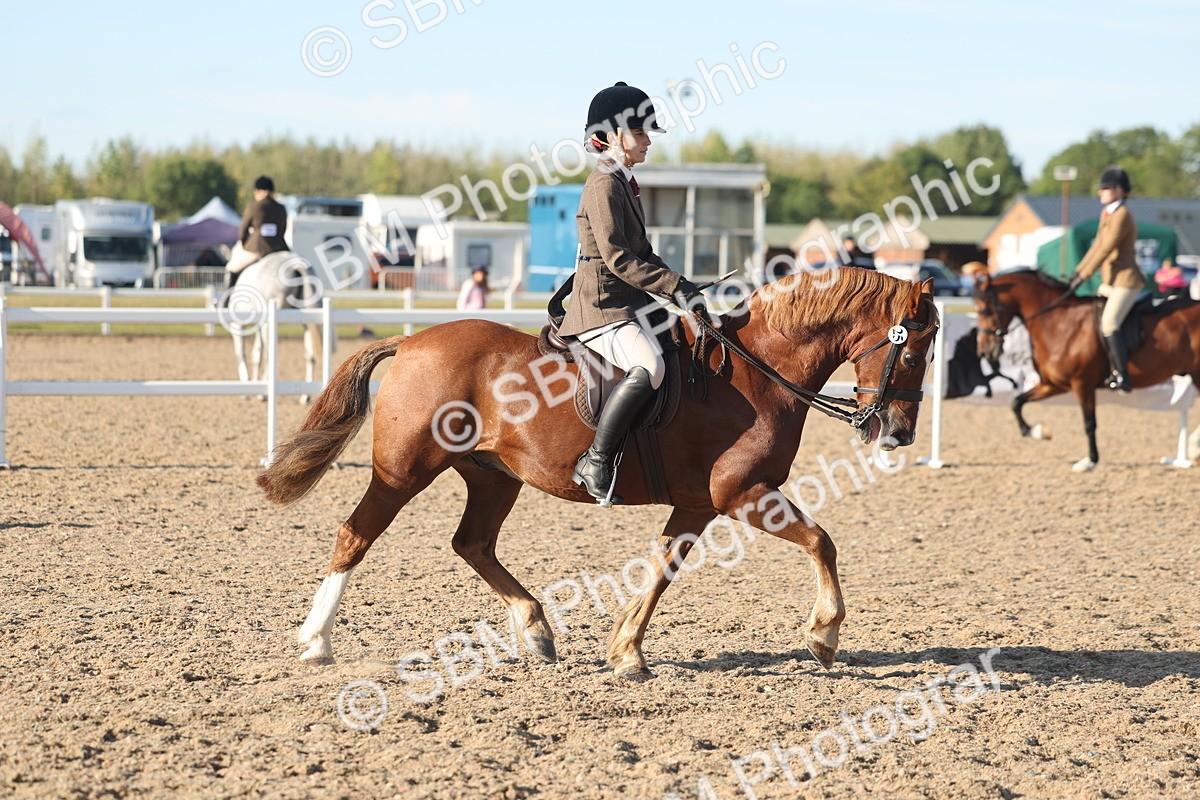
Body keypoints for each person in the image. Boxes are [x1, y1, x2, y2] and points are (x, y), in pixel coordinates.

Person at [558, 81, 707, 504]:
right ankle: (596, 461)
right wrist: (672, 287)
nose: (647, 142)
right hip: (603, 307)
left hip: (628, 303)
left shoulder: (624, 181)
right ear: (611, 136)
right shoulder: (604, 185)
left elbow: (643, 252)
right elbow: (619, 259)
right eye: (639, 133)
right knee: (650, 367)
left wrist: (680, 286)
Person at [1067, 165, 1146, 392]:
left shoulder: (1122, 216)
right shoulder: (1107, 214)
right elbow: (1097, 246)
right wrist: (1078, 271)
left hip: (1126, 281)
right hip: (1110, 281)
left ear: (1120, 190)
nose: (1100, 192)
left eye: (1106, 188)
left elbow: (1106, 248)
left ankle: (1123, 376)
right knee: (1092, 317)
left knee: (1109, 323)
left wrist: (1085, 275)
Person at [226, 176, 289, 288]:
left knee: (232, 268)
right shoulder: (281, 208)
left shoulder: (253, 207)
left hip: (257, 250)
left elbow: (242, 232)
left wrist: (244, 244)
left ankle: (228, 297)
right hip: (280, 249)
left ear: (258, 191)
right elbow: (283, 229)